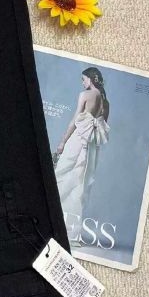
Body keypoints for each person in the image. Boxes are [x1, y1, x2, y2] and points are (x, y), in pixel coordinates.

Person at [54, 67, 110, 245]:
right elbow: (102, 127)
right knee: (81, 186)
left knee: (61, 176)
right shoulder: (106, 102)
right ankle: (70, 234)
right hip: (92, 146)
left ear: (91, 79)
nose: (82, 82)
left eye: (84, 79)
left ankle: (51, 223)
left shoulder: (85, 95)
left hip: (78, 141)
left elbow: (74, 121)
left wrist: (62, 142)